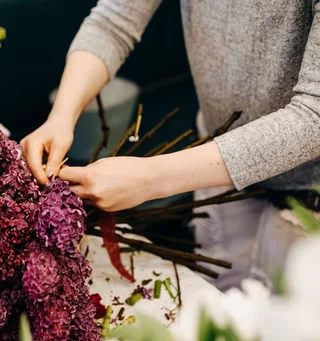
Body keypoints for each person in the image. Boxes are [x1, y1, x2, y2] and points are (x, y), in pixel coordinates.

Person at [20, 1, 320, 291]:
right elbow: (113, 22)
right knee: (220, 306)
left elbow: (314, 115)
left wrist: (152, 178)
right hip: (215, 169)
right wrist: (61, 116)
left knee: (284, 330)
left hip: (308, 191)